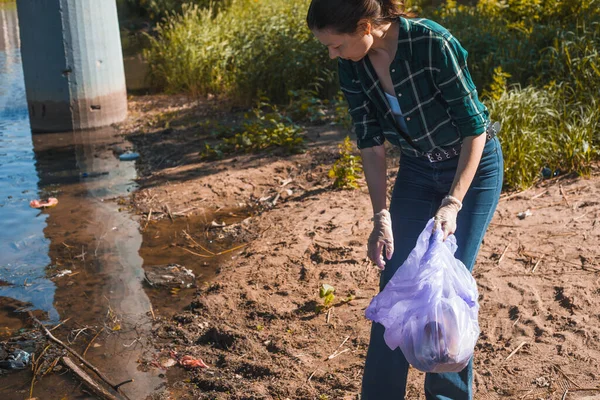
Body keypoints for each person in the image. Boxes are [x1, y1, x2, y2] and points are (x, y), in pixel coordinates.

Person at [306, 0, 504, 399]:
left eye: (336, 45)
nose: (332, 54)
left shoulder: (432, 43)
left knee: (442, 294)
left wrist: (453, 202)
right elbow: (371, 142)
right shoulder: (353, 65)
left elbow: (474, 130)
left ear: (365, 26)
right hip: (416, 170)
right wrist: (381, 215)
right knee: (395, 289)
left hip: (471, 169)